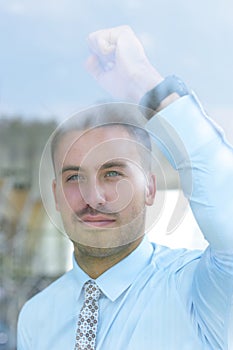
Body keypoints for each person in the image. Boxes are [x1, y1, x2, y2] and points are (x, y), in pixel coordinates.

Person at [17, 25, 233, 349]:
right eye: (74, 177)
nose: (94, 197)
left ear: (149, 188)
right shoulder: (35, 317)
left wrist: (144, 83)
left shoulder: (200, 291)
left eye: (113, 173)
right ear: (56, 195)